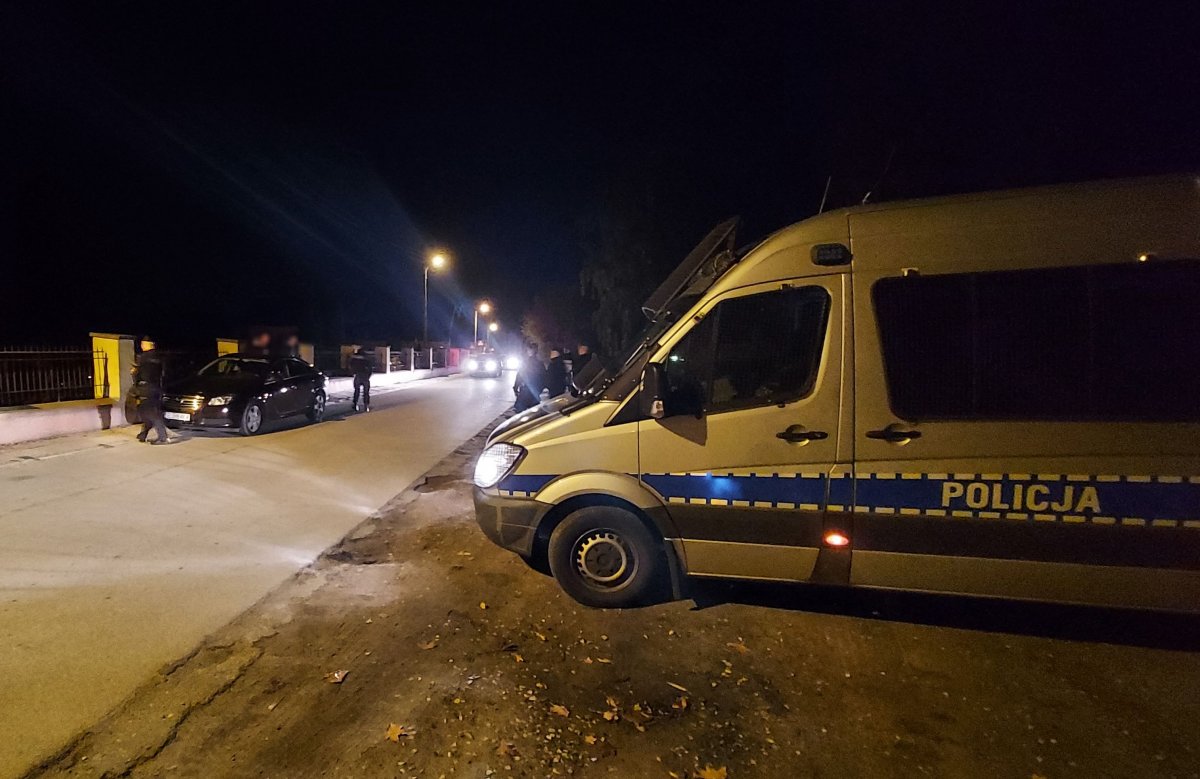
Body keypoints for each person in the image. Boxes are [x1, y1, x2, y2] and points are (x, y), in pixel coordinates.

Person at [133, 336, 170, 444]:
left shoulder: (144, 357)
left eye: (143, 344)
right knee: (147, 410)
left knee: (151, 412)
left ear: (148, 344)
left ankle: (163, 437)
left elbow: (143, 374)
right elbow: (163, 373)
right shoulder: (159, 357)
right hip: (157, 387)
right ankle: (143, 434)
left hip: (146, 387)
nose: (141, 346)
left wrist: (135, 372)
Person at [513, 343, 542, 412]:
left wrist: (516, 387)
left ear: (530, 351)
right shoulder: (540, 363)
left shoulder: (526, 363)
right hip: (536, 390)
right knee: (534, 411)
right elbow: (543, 377)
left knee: (520, 410)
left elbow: (520, 376)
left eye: (528, 350)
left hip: (526, 389)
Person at [349, 347, 373, 412]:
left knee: (357, 391)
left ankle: (355, 404)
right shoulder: (366, 359)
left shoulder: (354, 359)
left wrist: (353, 373)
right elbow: (370, 368)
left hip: (358, 375)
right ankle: (366, 406)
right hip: (365, 376)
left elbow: (351, 366)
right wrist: (368, 375)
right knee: (366, 392)